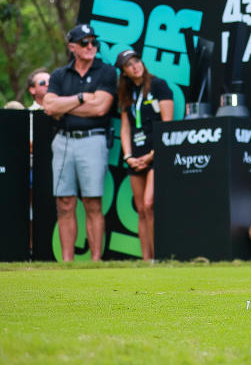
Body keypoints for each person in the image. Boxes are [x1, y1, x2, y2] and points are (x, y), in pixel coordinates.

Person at [42, 23, 117, 261]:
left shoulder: (106, 71)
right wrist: (83, 97)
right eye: (85, 42)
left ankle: (95, 261)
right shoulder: (59, 75)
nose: (91, 47)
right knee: (64, 202)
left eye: (94, 42)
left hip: (93, 140)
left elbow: (101, 108)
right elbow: (49, 106)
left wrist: (65, 106)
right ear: (72, 46)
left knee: (93, 201)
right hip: (63, 141)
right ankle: (67, 262)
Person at [115, 49, 174, 261]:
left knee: (150, 204)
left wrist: (152, 154)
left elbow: (168, 124)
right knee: (140, 208)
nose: (135, 66)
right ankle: (146, 259)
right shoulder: (126, 92)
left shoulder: (159, 85)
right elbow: (125, 128)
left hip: (156, 153)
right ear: (124, 71)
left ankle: (158, 256)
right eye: (129, 64)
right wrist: (128, 155)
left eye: (137, 61)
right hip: (135, 155)